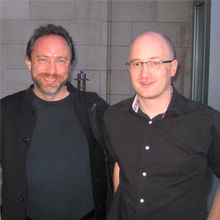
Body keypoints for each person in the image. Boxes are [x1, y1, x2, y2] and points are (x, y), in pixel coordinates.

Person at [103, 31, 220, 220]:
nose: (144, 73)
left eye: (155, 62)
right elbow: (118, 164)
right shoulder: (114, 117)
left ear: (173, 68)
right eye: (137, 63)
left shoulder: (205, 121)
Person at [0, 24, 111, 220]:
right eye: (43, 59)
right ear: (28, 62)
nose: (51, 70)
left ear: (70, 64)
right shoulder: (5, 111)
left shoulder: (95, 108)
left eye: (60, 60)